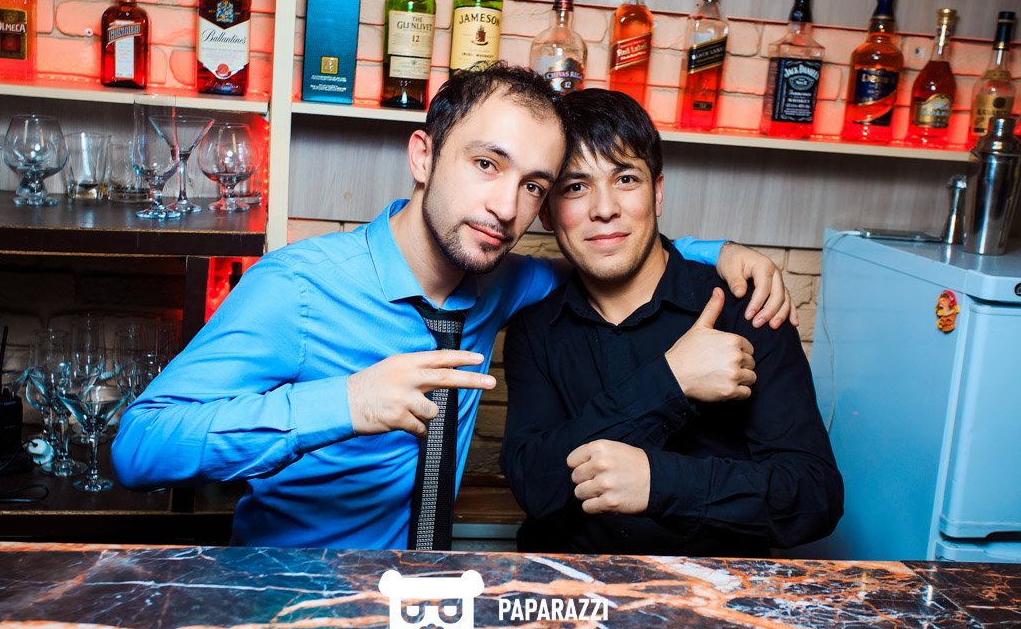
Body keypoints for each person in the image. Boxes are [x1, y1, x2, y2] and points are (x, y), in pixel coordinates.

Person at [112, 65, 796, 550]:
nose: (505, 207)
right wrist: (344, 403)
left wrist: (717, 252)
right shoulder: (298, 288)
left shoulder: (503, 280)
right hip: (289, 593)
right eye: (486, 165)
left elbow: (606, 249)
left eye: (533, 186)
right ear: (424, 155)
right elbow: (139, 446)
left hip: (424, 600)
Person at [502, 88, 843, 557]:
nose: (604, 208)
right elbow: (535, 486)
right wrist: (672, 381)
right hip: (573, 585)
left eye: (625, 179)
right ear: (545, 211)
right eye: (575, 187)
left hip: (715, 589)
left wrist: (659, 482)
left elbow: (814, 496)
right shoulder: (535, 328)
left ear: (657, 192)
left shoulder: (746, 306)